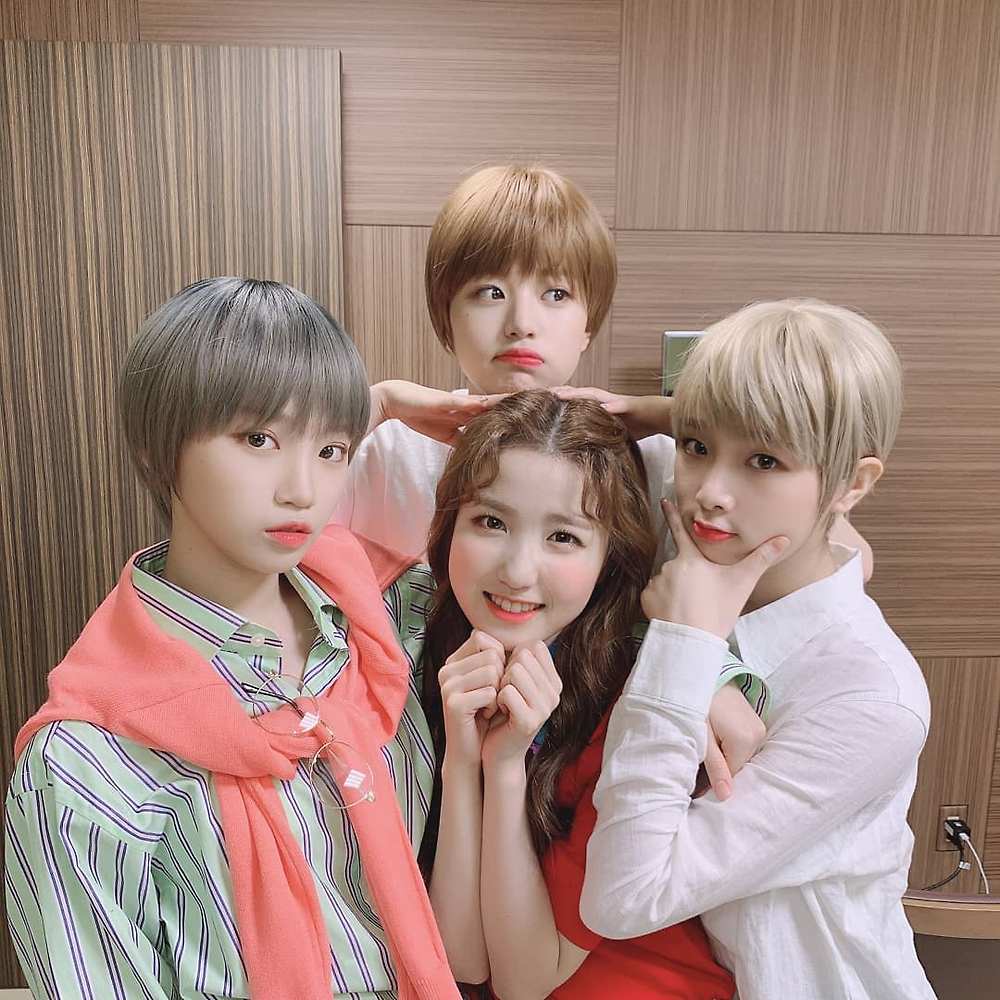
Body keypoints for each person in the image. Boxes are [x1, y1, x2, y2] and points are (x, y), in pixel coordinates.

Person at [4, 278, 459, 1000]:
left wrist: (354, 408)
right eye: (257, 439)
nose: (301, 490)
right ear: (158, 450)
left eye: (332, 451)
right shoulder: (87, 761)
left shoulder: (386, 628)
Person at [578, 299, 936, 999]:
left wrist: (686, 645)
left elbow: (626, 897)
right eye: (695, 446)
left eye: (764, 461)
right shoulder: (699, 553)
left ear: (854, 484)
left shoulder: (872, 696)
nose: (710, 493)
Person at [336, 162, 872, 579]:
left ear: (588, 324)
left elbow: (845, 561)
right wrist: (376, 405)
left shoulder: (655, 457)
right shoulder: (389, 449)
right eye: (490, 292)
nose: (522, 323)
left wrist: (682, 421)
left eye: (556, 294)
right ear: (444, 318)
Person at [419, 390, 764, 998]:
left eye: (563, 537)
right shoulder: (418, 648)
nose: (517, 571)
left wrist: (505, 767)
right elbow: (464, 960)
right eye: (491, 522)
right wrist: (466, 760)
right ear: (449, 529)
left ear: (609, 558)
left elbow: (524, 982)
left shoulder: (633, 705)